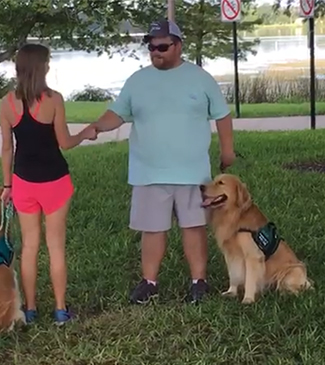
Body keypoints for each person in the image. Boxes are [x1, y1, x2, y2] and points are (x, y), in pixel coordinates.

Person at [84, 19, 236, 304]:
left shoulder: (200, 78)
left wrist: (227, 151)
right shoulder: (137, 80)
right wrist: (97, 126)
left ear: (178, 46)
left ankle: (198, 283)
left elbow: (222, 115)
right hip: (148, 171)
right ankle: (149, 282)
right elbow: (118, 113)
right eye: (152, 47)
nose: (156, 52)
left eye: (163, 46)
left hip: (193, 173)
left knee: (193, 227)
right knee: (152, 229)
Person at [0, 43, 97, 325]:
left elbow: (7, 148)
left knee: (30, 247)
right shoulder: (54, 100)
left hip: (23, 183)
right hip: (56, 182)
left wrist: (7, 186)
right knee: (56, 247)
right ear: (44, 68)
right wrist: (86, 134)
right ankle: (60, 310)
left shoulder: (6, 103)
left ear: (18, 68)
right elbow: (65, 142)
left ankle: (29, 310)